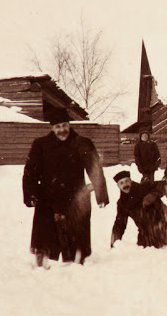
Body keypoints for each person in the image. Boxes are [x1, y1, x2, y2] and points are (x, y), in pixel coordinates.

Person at [22, 108, 109, 268]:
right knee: (46, 233)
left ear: (69, 124)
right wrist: (30, 194)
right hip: (48, 196)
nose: (61, 130)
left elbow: (95, 169)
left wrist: (101, 194)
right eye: (57, 127)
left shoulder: (83, 143)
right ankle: (43, 262)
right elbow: (30, 172)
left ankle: (75, 263)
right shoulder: (41, 145)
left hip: (75, 196)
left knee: (75, 233)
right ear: (52, 128)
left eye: (64, 125)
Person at [110, 171, 167, 255]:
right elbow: (119, 224)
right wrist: (114, 243)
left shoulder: (144, 187)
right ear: (118, 186)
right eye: (121, 183)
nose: (125, 185)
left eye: (127, 181)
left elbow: (163, 184)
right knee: (145, 253)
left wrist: (153, 194)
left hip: (165, 222)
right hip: (146, 232)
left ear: (131, 181)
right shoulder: (122, 203)